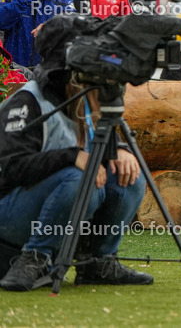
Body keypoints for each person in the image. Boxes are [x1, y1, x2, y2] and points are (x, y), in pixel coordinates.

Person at [0, 16, 152, 291]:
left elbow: (100, 148)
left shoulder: (86, 96)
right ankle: (34, 258)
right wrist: (72, 156)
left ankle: (99, 261)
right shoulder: (27, 101)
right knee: (80, 178)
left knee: (130, 174)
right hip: (10, 213)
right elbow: (11, 170)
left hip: (57, 204)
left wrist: (119, 149)